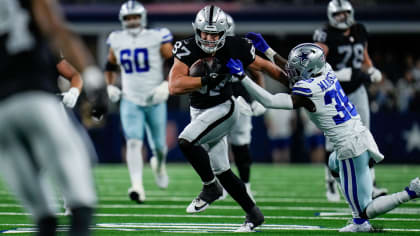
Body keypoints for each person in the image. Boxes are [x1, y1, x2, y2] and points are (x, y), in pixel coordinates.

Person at [226, 41, 420, 233]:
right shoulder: (325, 70)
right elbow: (294, 70)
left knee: (365, 209)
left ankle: (410, 192)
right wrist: (268, 50)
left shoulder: (309, 90)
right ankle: (359, 220)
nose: (291, 70)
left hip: (350, 146)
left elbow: (270, 100)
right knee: (333, 163)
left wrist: (243, 77)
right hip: (357, 134)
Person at [168, 5, 288, 232]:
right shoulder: (187, 48)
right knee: (222, 170)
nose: (209, 38)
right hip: (199, 110)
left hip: (225, 107)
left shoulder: (235, 46)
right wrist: (207, 80)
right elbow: (174, 86)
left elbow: (265, 67)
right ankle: (254, 214)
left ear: (224, 32)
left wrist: (292, 83)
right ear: (197, 30)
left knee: (185, 141)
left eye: (214, 34)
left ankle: (210, 188)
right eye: (205, 32)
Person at [0, 0, 105, 235]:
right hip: (37, 96)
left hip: (2, 111)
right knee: (79, 175)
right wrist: (93, 78)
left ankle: (45, 220)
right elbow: (57, 30)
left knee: (42, 214)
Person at [312, 0, 388, 201]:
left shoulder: (360, 30)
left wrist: (370, 69)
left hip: (357, 89)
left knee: (365, 135)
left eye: (345, 13)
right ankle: (330, 179)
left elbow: (364, 57)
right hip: (333, 90)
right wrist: (339, 74)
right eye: (338, 14)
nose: (343, 17)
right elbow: (315, 64)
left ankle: (370, 183)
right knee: (335, 140)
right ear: (331, 16)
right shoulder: (325, 35)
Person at [104, 0, 174, 203]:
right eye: (128, 18)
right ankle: (137, 186)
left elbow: (175, 62)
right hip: (130, 98)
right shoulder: (116, 39)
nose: (132, 21)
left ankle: (159, 165)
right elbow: (109, 66)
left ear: (142, 17)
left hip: (154, 97)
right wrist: (110, 86)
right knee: (133, 142)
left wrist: (166, 84)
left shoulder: (156, 36)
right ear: (122, 20)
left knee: (160, 147)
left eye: (135, 17)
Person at [220, 14, 266, 201]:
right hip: (218, 101)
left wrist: (259, 98)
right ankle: (220, 185)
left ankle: (245, 186)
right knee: (217, 146)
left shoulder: (241, 46)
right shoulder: (203, 49)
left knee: (241, 145)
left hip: (242, 100)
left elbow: (258, 72)